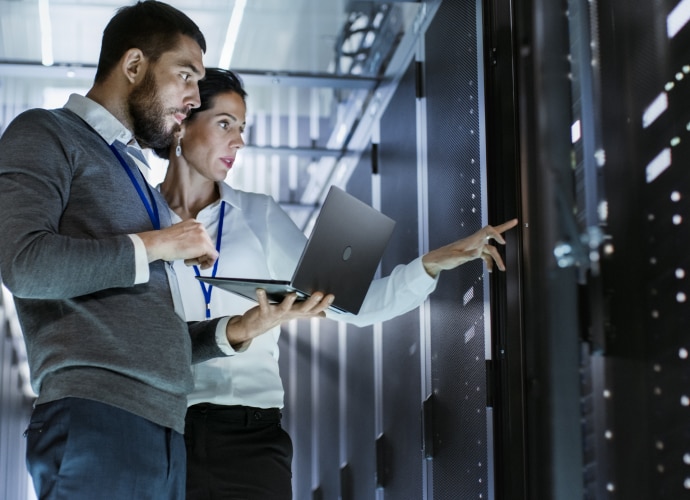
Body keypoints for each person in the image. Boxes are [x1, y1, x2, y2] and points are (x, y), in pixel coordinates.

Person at [0, 4, 333, 499]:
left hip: (164, 430)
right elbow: (24, 264)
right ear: (134, 66)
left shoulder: (133, 174)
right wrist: (161, 243)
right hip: (98, 418)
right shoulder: (45, 132)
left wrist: (239, 329)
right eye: (186, 75)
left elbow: (149, 327)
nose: (193, 97)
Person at [157, 67, 519, 499]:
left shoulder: (260, 216)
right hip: (162, 430)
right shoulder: (140, 220)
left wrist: (431, 264)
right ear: (183, 123)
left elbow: (354, 305)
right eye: (224, 124)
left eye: (242, 128)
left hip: (250, 437)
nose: (239, 141)